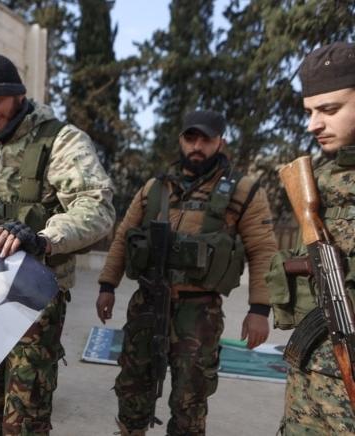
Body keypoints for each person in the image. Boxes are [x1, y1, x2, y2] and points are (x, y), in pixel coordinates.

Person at [0, 54, 115, 435]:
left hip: (34, 297)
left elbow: (98, 207)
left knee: (24, 417)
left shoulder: (60, 140)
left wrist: (43, 239)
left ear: (18, 95)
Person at [96, 109, 278, 435]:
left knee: (190, 397)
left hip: (200, 311)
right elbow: (124, 236)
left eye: (205, 139)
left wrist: (259, 310)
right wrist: (107, 284)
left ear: (220, 141)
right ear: (181, 139)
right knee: (133, 384)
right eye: (190, 138)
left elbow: (263, 249)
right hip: (148, 303)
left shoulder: (243, 189)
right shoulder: (155, 188)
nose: (197, 145)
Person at [278, 41, 355, 435]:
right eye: (309, 112)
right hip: (309, 388)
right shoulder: (319, 181)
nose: (313, 125)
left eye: (330, 109)